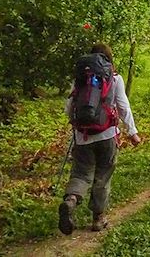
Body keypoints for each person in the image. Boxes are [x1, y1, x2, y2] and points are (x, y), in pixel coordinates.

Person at [59, 43, 141, 235]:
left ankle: (71, 199)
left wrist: (77, 123)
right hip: (107, 135)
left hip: (83, 136)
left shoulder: (80, 79)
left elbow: (68, 108)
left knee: (80, 173)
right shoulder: (115, 78)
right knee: (103, 175)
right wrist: (132, 132)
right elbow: (123, 107)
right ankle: (98, 218)